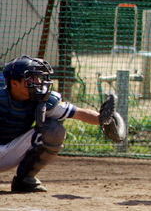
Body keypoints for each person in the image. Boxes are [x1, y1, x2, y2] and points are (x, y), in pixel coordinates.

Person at [0, 55, 124, 192]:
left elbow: (78, 113)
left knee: (54, 130)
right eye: (31, 78)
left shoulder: (41, 99)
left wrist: (104, 120)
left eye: (38, 77)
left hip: (11, 152)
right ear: (14, 83)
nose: (38, 82)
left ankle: (25, 180)